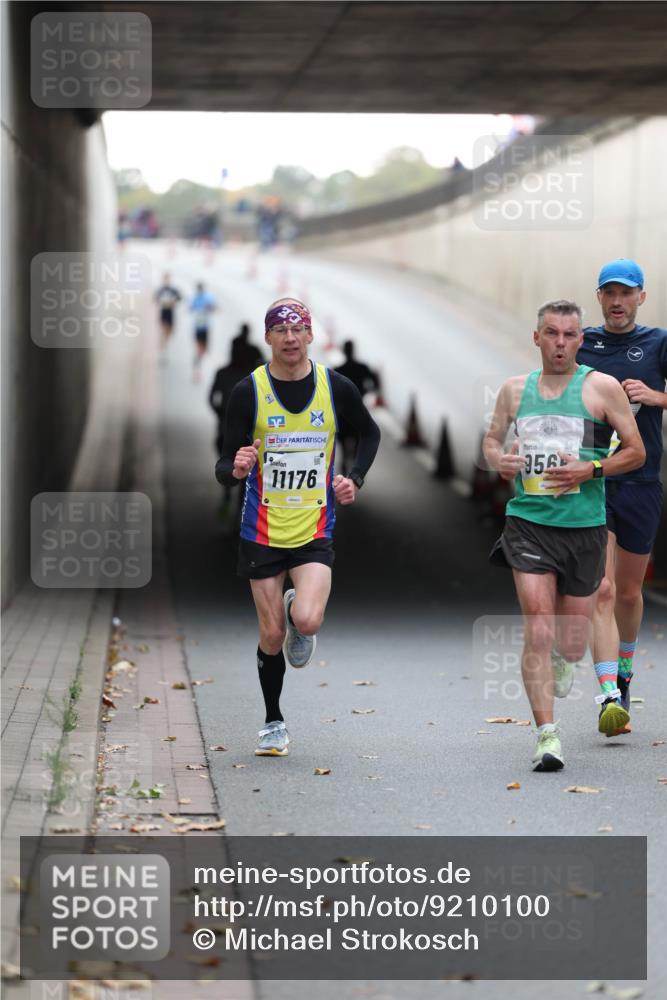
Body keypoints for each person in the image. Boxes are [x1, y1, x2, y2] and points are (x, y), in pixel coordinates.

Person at [215, 298, 381, 757]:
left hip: (314, 529)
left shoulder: (335, 386)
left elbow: (370, 432)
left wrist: (355, 478)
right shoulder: (248, 392)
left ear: (310, 335)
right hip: (261, 532)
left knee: (307, 619)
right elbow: (224, 465)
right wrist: (237, 467)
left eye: (298, 329)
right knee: (271, 637)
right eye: (280, 330)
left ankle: (297, 614)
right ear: (268, 337)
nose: (290, 338)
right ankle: (273, 723)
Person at [484, 300, 645, 772]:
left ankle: (563, 654)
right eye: (551, 334)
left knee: (572, 644)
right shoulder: (515, 390)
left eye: (569, 335)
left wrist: (590, 469)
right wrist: (499, 461)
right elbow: (491, 441)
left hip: (584, 528)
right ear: (537, 338)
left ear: (581, 339)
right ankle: (546, 734)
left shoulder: (602, 388)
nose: (560, 343)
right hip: (529, 523)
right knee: (537, 622)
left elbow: (635, 452)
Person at [577, 259, 667, 736]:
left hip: (642, 481)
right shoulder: (582, 343)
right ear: (599, 297)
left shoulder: (658, 342)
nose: (617, 302)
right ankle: (609, 693)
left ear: (640, 298)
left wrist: (656, 397)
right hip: (595, 480)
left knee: (629, 593)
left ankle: (625, 671)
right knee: (604, 590)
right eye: (609, 293)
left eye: (626, 293)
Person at [209, 337, 262, 522]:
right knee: (243, 472)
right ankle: (239, 510)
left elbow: (212, 398)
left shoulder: (224, 373)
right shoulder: (252, 377)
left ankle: (229, 499)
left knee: (230, 464)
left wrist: (221, 414)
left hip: (225, 430)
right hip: (244, 432)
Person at [335, 340, 380, 475]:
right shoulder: (362, 368)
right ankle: (354, 469)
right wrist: (365, 392)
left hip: (342, 415)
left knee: (343, 442)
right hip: (358, 410)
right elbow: (375, 384)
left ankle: (344, 463)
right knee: (359, 436)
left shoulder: (338, 370)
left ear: (344, 351)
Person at [190, 282, 217, 381]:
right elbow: (190, 308)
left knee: (203, 350)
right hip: (198, 327)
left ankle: (197, 364)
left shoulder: (207, 298)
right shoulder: (196, 298)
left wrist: (209, 308)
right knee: (199, 349)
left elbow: (214, 308)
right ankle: (197, 370)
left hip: (205, 327)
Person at [155, 273, 182, 349]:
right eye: (165, 279)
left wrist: (174, 301)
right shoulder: (161, 290)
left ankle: (167, 339)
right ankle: (163, 341)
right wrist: (159, 301)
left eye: (168, 279)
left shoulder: (173, 290)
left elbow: (179, 298)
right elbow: (155, 298)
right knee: (163, 326)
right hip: (164, 310)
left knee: (170, 328)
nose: (167, 280)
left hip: (170, 311)